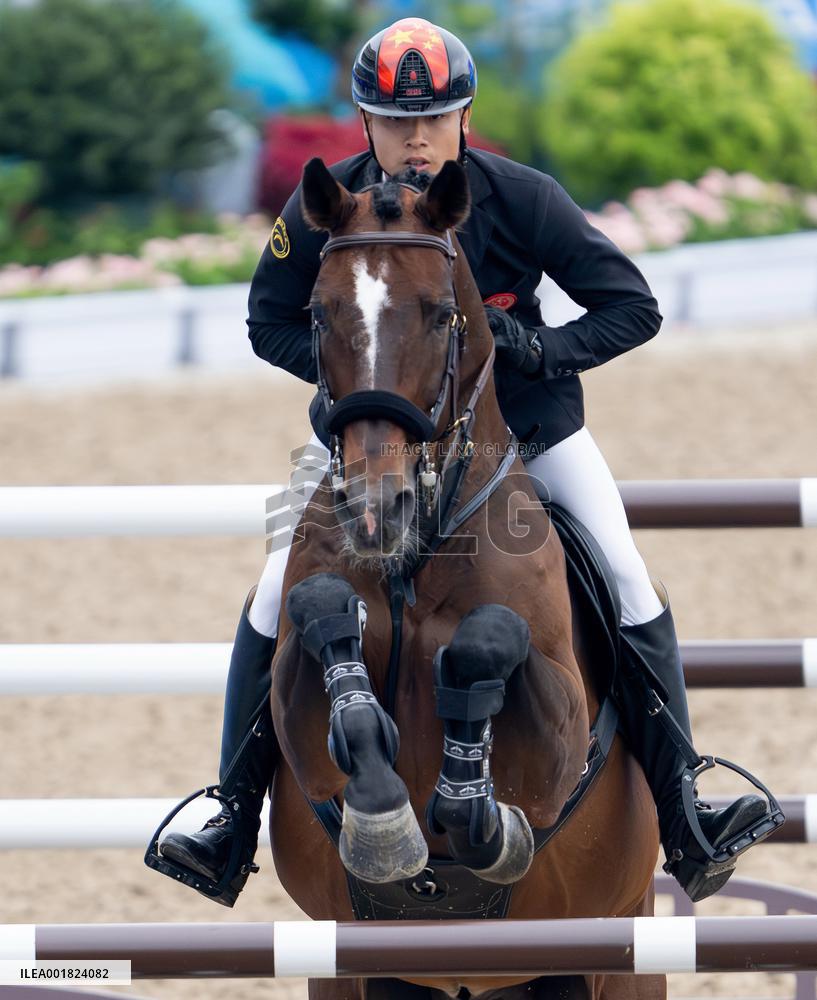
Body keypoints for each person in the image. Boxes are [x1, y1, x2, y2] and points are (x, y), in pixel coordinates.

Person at [155, 16, 773, 906]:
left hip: (528, 436)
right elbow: (269, 320)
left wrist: (533, 349)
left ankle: (684, 808)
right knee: (268, 595)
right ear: (363, 122)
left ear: (464, 116)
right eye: (395, 119)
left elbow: (630, 307)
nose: (416, 137)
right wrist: (361, 384)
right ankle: (230, 816)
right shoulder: (328, 207)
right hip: (377, 445)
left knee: (630, 578)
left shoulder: (520, 198)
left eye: (435, 118)